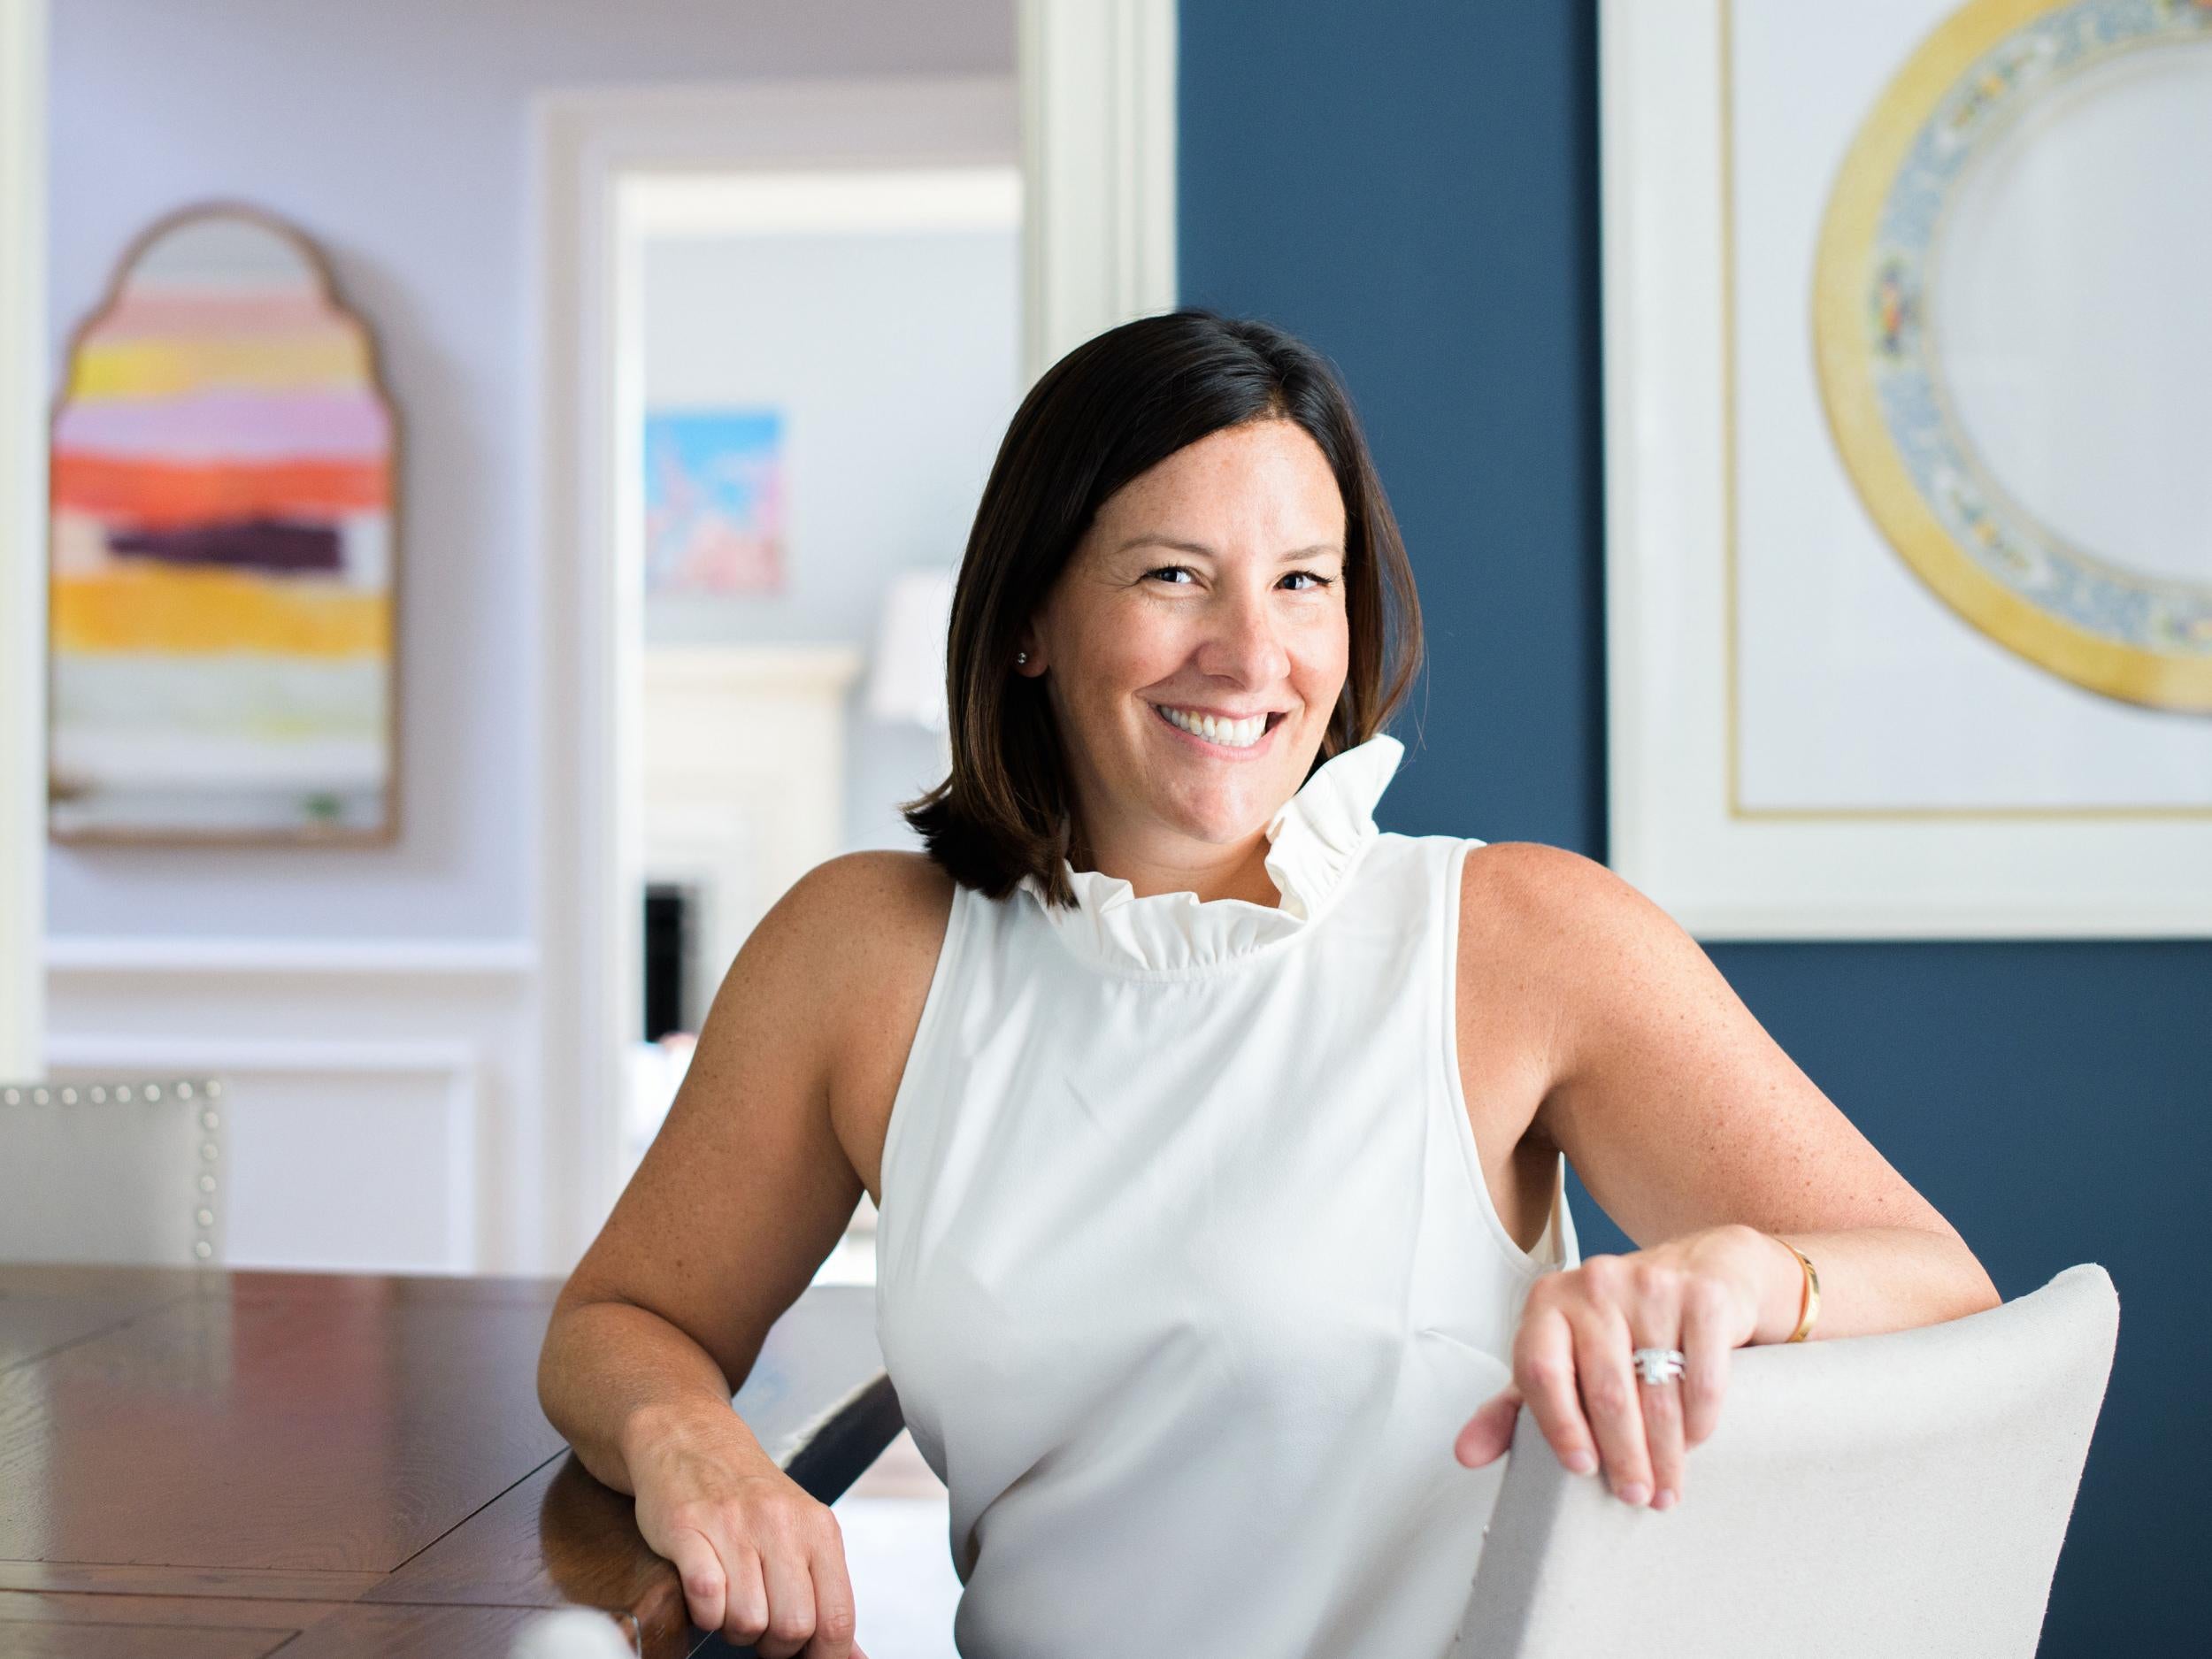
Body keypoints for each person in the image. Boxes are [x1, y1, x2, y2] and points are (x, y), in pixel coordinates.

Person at [536, 310, 2001, 1658]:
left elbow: (1948, 1296)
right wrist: (694, 1450)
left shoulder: (1527, 938)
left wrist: (1743, 1274)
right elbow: (621, 1323)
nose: (1250, 655)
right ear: (1032, 620)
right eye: (1174, 575)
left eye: (1303, 581)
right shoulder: (863, 954)